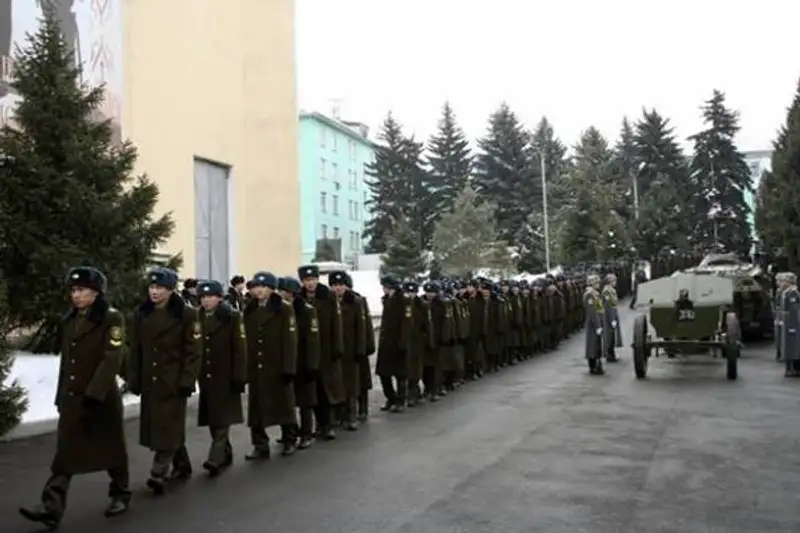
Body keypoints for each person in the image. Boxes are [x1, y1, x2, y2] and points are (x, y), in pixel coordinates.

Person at [19, 267, 131, 528]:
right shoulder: (70, 320)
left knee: (111, 447)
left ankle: (121, 492)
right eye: (73, 290)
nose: (76, 295)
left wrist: (94, 393)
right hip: (73, 397)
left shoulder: (111, 318)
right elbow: (67, 363)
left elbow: (111, 358)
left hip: (100, 397)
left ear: (96, 292)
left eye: (81, 290)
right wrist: (61, 395)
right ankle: (51, 506)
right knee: (65, 453)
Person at [128, 267, 201, 494]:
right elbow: (136, 349)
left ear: (171, 290)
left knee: (167, 426)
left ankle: (158, 472)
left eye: (160, 287)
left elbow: (194, 351)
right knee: (163, 426)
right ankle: (182, 464)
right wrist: (135, 378)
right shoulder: (142, 314)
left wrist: (188, 379)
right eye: (152, 287)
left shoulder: (186, 314)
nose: (155, 292)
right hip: (151, 379)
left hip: (174, 380)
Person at [242, 272, 299, 458]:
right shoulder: (249, 308)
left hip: (277, 364)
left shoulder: (283, 308)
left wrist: (289, 367)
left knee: (284, 405)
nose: (258, 290)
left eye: (263, 287)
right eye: (256, 287)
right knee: (256, 409)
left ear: (271, 289)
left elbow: (290, 340)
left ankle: (289, 439)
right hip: (256, 365)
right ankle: (260, 444)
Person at [195, 280, 247, 476]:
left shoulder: (231, 316)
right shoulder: (196, 317)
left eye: (211, 297)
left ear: (219, 297)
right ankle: (225, 452)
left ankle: (215, 458)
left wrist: (240, 375)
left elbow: (240, 349)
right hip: (206, 374)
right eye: (203, 297)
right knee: (212, 418)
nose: (207, 300)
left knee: (222, 418)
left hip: (226, 373)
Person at [376, 274, 412, 412]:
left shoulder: (403, 300)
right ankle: (391, 398)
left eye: (385, 287)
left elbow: (406, 323)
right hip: (386, 342)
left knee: (400, 374)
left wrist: (403, 342)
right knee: (384, 373)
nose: (384, 290)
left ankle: (401, 400)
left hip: (398, 342)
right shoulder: (386, 300)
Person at [583, 274, 605, 375]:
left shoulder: (595, 294)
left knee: (596, 344)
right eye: (596, 282)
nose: (598, 284)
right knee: (592, 345)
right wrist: (597, 325)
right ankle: (593, 366)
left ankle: (597, 364)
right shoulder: (589, 295)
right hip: (593, 324)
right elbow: (592, 311)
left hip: (598, 322)